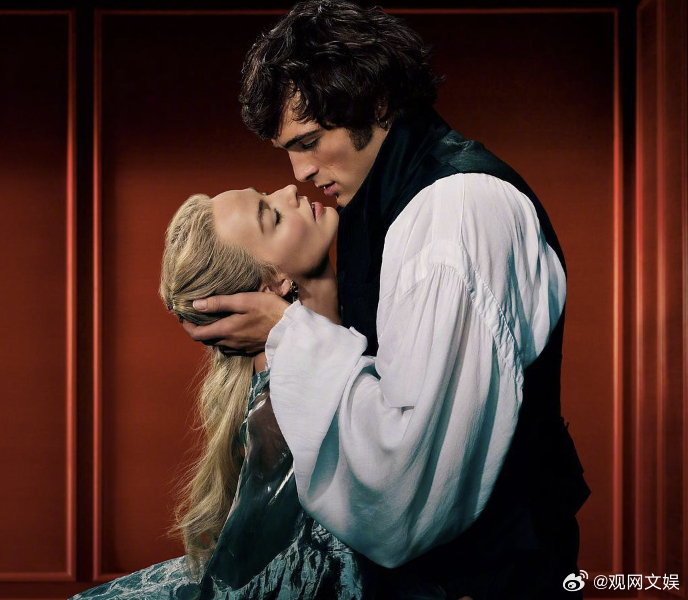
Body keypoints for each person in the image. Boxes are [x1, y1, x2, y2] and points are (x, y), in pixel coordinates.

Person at [182, 1, 592, 598]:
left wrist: (290, 329)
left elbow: (405, 491)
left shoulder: (455, 216)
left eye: (310, 141)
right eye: (287, 150)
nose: (298, 172)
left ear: (375, 103)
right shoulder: (378, 205)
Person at [69, 187, 379, 600]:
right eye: (272, 217)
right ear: (274, 284)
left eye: (266, 195)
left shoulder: (348, 327)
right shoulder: (280, 413)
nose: (290, 190)